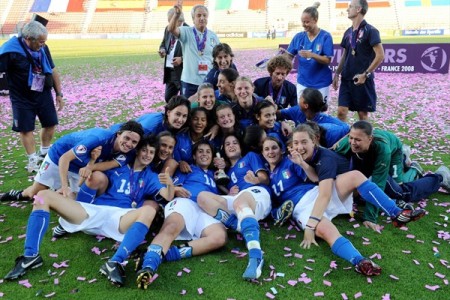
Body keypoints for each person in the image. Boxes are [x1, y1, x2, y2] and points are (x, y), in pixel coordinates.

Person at [4, 135, 174, 283]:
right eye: (144, 150)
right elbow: (90, 172)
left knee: (149, 211)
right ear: (137, 151)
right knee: (43, 195)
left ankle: (115, 262)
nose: (147, 155)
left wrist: (170, 184)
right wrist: (90, 163)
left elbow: (167, 196)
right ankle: (30, 255)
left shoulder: (151, 176)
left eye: (151, 152)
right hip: (93, 211)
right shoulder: (118, 165)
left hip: (120, 217)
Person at [262, 133, 425, 277]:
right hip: (301, 208)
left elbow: (313, 178)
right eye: (267, 149)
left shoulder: (290, 162)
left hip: (316, 193)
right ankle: (360, 261)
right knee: (326, 231)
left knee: (355, 176)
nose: (271, 152)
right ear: (262, 153)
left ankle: (396, 213)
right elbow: (272, 205)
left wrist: (301, 164)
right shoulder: (267, 178)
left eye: (274, 148)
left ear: (281, 149)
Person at [136, 141, 227, 289]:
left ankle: (164, 255)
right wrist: (176, 188)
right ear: (194, 156)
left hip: (204, 210)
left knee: (219, 238)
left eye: (208, 152)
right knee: (171, 227)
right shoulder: (187, 170)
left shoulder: (214, 175)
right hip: (186, 202)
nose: (204, 154)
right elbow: (171, 186)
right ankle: (148, 267)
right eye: (200, 151)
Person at [334, 120, 450, 230]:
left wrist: (370, 217)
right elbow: (329, 157)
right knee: (366, 186)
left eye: (357, 140)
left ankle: (438, 177)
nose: (353, 142)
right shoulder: (347, 143)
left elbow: (378, 183)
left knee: (401, 192)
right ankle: (404, 159)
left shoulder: (382, 149)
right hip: (369, 157)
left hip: (392, 151)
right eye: (351, 138)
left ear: (370, 139)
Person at [1, 120, 144, 201]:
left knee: (74, 200)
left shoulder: (129, 153)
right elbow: (65, 158)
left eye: (134, 142)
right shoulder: (98, 139)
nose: (129, 144)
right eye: (126, 138)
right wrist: (64, 186)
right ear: (118, 134)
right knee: (34, 193)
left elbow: (104, 165)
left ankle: (57, 193)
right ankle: (18, 194)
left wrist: (90, 164)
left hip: (80, 166)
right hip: (60, 156)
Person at [197, 134, 272, 280]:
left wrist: (255, 180)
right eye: (227, 144)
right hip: (239, 200)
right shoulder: (227, 172)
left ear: (240, 146)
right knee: (202, 197)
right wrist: (228, 192)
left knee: (239, 202)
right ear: (224, 149)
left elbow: (265, 179)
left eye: (235, 142)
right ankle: (239, 225)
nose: (231, 145)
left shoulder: (250, 157)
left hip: (257, 194)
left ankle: (256, 256)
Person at [0, 20, 64, 173]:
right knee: (25, 128)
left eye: (44, 42)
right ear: (29, 38)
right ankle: (32, 159)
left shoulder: (44, 48)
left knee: (50, 123)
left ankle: (44, 152)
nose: (42, 45)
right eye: (40, 42)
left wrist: (59, 93)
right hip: (21, 97)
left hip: (42, 92)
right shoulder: (10, 51)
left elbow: (53, 70)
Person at [331, 0, 384, 121]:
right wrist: (337, 74)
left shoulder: (371, 31)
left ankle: (365, 139)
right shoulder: (348, 32)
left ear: (359, 9)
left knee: (362, 115)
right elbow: (345, 55)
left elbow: (380, 55)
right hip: (346, 78)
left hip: (362, 80)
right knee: (341, 112)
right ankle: (343, 140)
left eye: (350, 7)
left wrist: (366, 74)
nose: (347, 9)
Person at [285, 2, 334, 104]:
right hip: (303, 82)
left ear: (315, 20)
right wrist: (282, 57)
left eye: (307, 22)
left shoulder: (325, 36)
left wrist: (312, 55)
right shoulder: (299, 37)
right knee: (302, 111)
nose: (304, 25)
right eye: (303, 22)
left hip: (321, 82)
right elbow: (289, 56)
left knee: (320, 113)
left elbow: (327, 60)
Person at [168, 4, 220, 98]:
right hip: (189, 82)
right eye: (199, 15)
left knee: (206, 110)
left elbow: (218, 57)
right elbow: (171, 29)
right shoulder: (186, 32)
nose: (202, 18)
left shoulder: (213, 36)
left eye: (204, 15)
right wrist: (176, 14)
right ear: (193, 18)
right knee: (189, 109)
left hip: (208, 82)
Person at [278, 88, 349, 147]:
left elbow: (347, 130)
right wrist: (282, 122)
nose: (298, 100)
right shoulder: (297, 110)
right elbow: (278, 114)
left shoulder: (328, 128)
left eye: (300, 98)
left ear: (305, 105)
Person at [110, 95, 191, 136]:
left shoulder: (180, 127)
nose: (180, 120)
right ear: (168, 112)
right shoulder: (150, 126)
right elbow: (130, 139)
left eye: (184, 116)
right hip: (116, 135)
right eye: (177, 114)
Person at [159, 8, 188, 102]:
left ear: (179, 20)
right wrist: (162, 50)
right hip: (170, 71)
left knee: (185, 99)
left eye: (170, 20)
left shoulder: (189, 30)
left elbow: (196, 53)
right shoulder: (168, 29)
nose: (169, 23)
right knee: (169, 99)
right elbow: (163, 44)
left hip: (182, 72)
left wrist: (182, 59)